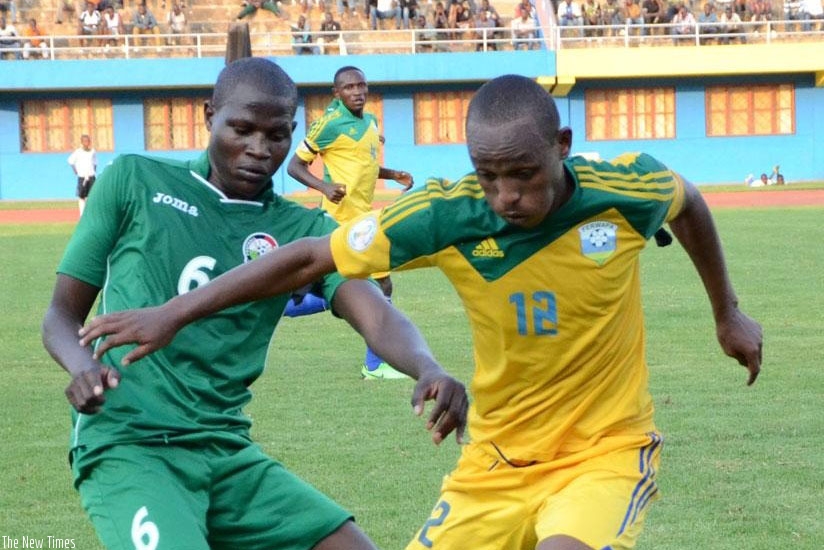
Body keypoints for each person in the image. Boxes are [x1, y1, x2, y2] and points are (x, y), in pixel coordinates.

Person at [79, 74, 763, 550]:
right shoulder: (448, 214)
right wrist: (174, 313)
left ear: (561, 145)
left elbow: (690, 203)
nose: (505, 196)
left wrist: (727, 313)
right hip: (493, 463)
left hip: (605, 454)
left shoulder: (626, 188)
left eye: (523, 174)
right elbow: (310, 258)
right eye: (488, 176)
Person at [43, 57, 468, 550]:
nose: (259, 150)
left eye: (277, 136)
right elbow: (60, 316)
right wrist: (82, 367)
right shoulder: (135, 180)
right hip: (131, 444)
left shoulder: (304, 231)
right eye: (242, 130)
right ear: (209, 116)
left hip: (227, 453)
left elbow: (375, 311)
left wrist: (427, 366)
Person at [285, 66, 414, 380]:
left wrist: (393, 174)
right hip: (339, 220)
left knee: (376, 285)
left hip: (364, 219)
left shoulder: (370, 123)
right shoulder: (328, 125)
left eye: (361, 86)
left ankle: (278, 306)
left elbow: (364, 164)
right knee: (376, 286)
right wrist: (324, 187)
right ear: (337, 93)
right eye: (349, 87)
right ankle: (374, 364)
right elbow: (294, 166)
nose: (357, 92)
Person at [67, 134, 97, 214]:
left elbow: (95, 162)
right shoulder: (78, 152)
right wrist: (75, 170)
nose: (86, 142)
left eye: (88, 141)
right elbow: (70, 161)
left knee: (92, 195)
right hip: (82, 176)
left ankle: (90, 213)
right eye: (85, 141)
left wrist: (94, 171)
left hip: (91, 176)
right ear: (82, 142)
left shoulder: (93, 151)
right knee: (81, 196)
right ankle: (82, 214)